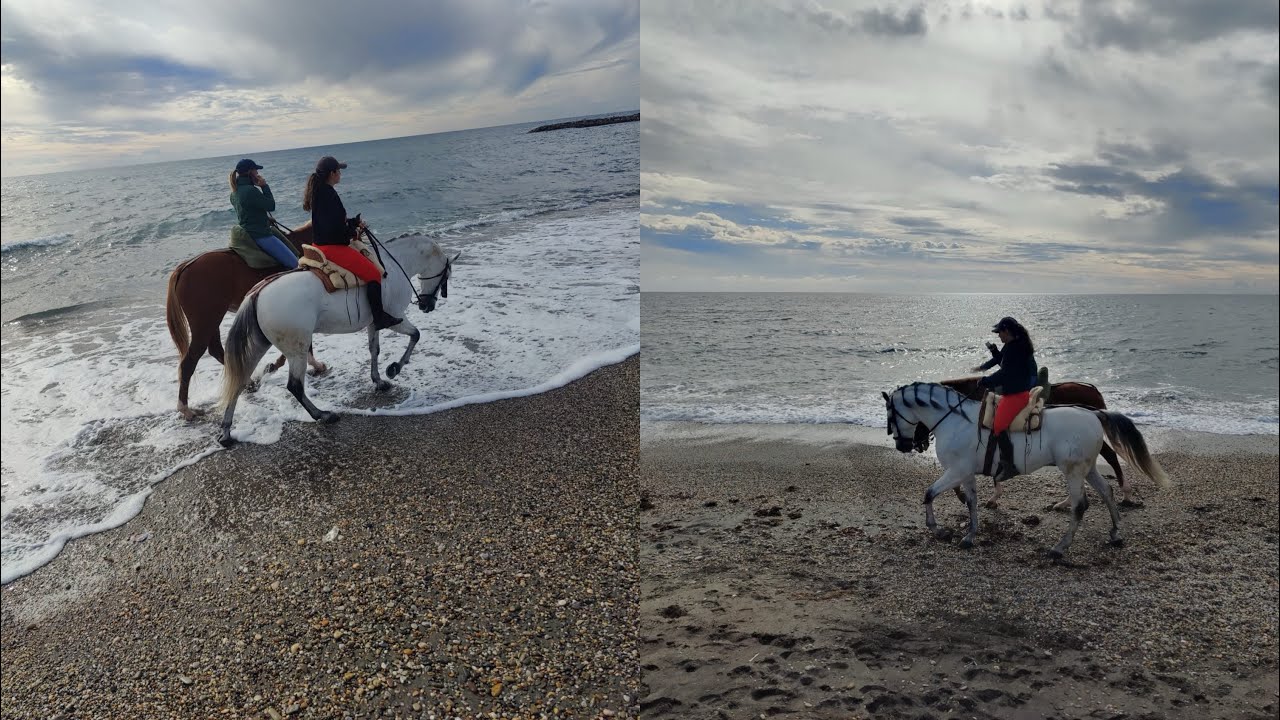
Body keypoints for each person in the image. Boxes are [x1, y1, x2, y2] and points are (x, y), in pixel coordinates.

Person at [302, 156, 402, 329]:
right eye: (339, 171)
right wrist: (352, 232)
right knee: (373, 274)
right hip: (332, 247)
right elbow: (335, 231)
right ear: (332, 173)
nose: (340, 174)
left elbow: (332, 221)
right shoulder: (328, 194)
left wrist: (353, 222)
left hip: (321, 244)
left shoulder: (321, 191)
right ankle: (379, 318)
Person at [971, 316, 1039, 483]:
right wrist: (989, 362)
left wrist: (986, 380)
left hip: (1016, 395)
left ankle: (1009, 465)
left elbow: (1005, 373)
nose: (998, 336)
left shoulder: (1012, 348)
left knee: (998, 426)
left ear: (1006, 331)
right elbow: (1003, 363)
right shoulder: (1015, 345)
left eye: (999, 333)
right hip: (1016, 392)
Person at [229, 159, 297, 269]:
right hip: (260, 235)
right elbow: (271, 206)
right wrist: (264, 186)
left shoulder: (234, 192)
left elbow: (248, 213)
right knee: (295, 264)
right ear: (250, 172)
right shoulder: (250, 190)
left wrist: (265, 218)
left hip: (248, 232)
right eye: (256, 171)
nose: (258, 174)